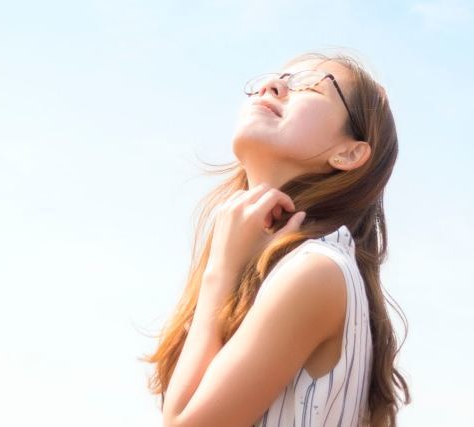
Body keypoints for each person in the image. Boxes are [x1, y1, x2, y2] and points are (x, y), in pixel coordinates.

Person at [144, 51, 410, 427]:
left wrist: (220, 273)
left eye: (311, 87)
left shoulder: (315, 270)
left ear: (348, 153)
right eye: (273, 78)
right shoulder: (288, 266)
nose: (272, 86)